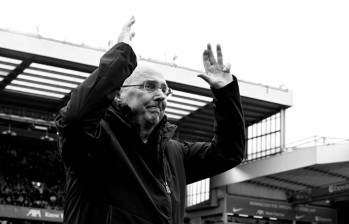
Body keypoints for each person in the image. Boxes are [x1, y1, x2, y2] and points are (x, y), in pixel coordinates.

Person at [56, 17, 246, 224]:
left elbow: (228, 153)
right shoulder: (95, 139)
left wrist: (226, 95)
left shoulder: (173, 154)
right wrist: (121, 57)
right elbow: (74, 119)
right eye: (149, 86)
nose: (161, 95)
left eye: (165, 90)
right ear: (119, 94)